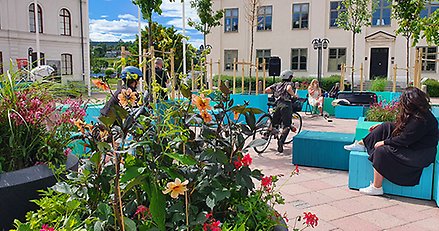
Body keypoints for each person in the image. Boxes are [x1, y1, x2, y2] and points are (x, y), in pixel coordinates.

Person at [344, 87, 438, 196]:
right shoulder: (418, 114)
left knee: (381, 151)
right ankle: (362, 144)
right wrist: (382, 126)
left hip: (419, 154)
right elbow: (406, 129)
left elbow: (405, 139)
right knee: (386, 126)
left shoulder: (421, 120)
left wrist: (385, 142)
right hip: (413, 146)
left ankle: (376, 187)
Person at [265, 70, 298, 153]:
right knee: (287, 125)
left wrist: (275, 92)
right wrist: (294, 95)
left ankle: (268, 133)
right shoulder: (289, 84)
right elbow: (288, 89)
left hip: (278, 105)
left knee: (274, 122)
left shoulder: (277, 84)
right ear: (290, 77)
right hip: (286, 105)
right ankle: (281, 141)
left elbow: (267, 90)